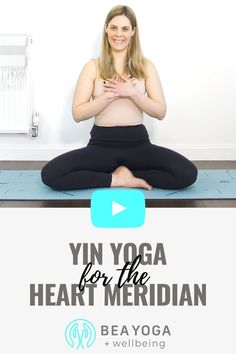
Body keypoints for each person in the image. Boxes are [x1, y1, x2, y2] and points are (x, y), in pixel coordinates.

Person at [41, 5, 197, 191]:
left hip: (139, 145)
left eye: (125, 28)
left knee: (187, 173)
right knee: (50, 174)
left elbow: (160, 112)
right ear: (106, 29)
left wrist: (132, 94)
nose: (118, 34)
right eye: (113, 27)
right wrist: (109, 95)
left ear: (133, 32)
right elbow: (77, 113)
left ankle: (131, 174)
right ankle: (117, 179)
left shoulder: (146, 66)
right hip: (101, 146)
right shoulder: (93, 67)